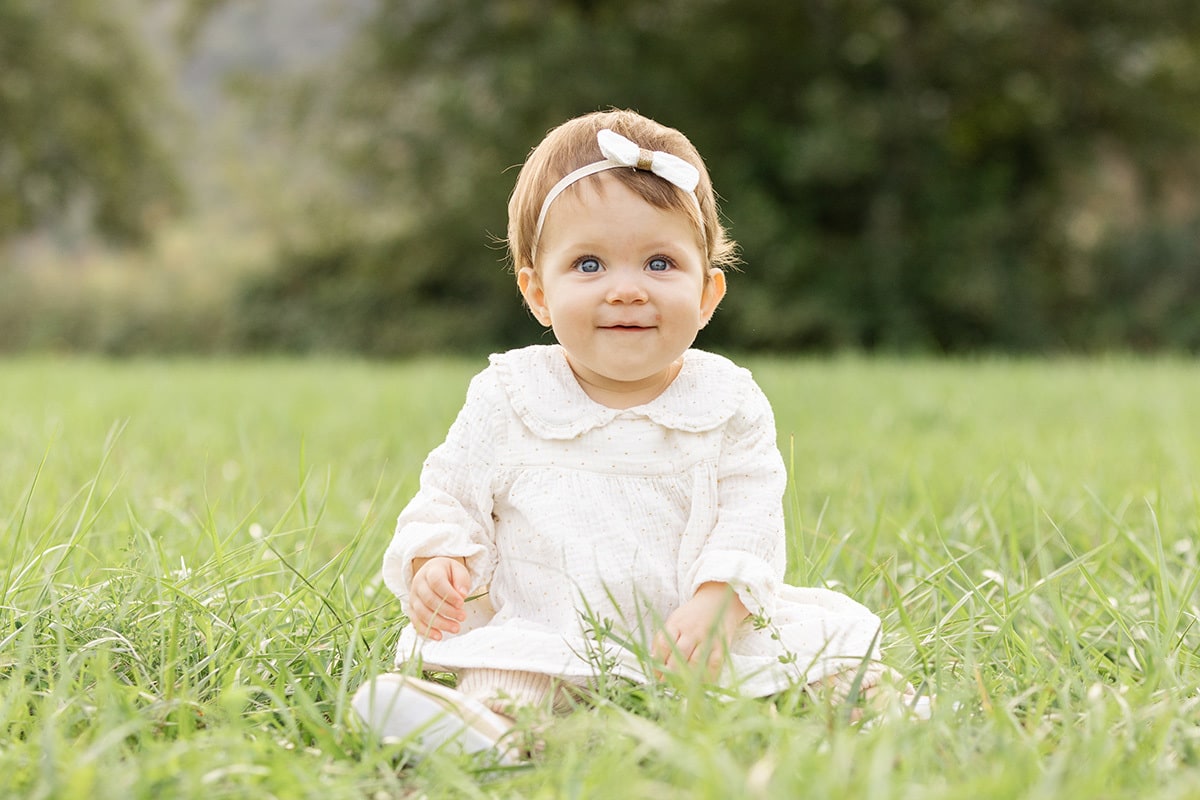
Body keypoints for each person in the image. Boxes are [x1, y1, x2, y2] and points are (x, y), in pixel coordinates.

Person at [352, 109, 925, 762]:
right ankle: (491, 733)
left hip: (701, 630)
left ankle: (879, 712)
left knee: (811, 663)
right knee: (510, 675)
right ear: (537, 292)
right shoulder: (510, 396)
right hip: (550, 626)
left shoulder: (727, 402)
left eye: (659, 262)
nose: (626, 291)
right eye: (589, 264)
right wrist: (437, 560)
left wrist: (718, 605)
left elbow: (750, 518)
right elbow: (450, 493)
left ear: (708, 293)